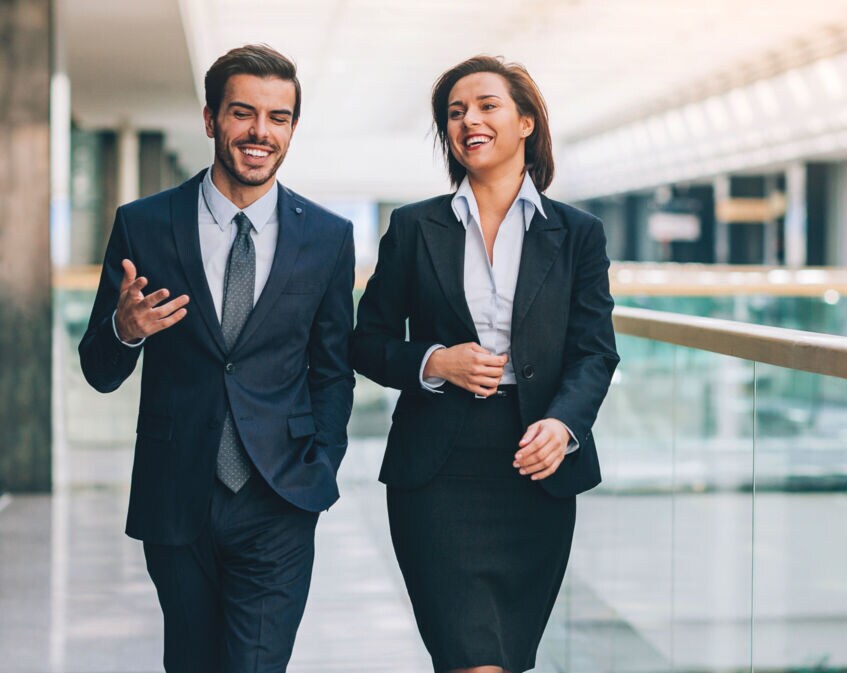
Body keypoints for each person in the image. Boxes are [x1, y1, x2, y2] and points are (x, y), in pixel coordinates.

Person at [78, 44, 355, 673]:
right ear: (210, 119)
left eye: (278, 117)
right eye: (243, 112)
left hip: (280, 495)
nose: (261, 132)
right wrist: (124, 331)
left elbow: (332, 368)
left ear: (292, 128)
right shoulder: (145, 225)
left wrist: (321, 465)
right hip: (176, 494)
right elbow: (98, 369)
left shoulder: (327, 237)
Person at [350, 55, 619, 673]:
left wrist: (564, 425)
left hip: (535, 462)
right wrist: (436, 361)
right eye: (455, 112)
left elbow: (594, 351)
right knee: (471, 657)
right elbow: (366, 341)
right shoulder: (414, 226)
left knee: (506, 656)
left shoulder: (578, 233)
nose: (469, 119)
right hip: (437, 469)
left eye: (486, 105)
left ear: (526, 123)